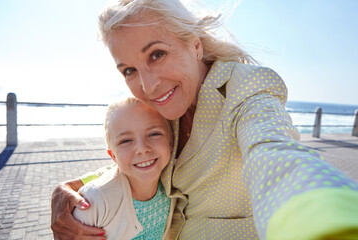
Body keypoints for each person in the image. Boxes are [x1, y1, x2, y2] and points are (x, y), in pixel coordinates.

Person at [51, 0, 358, 239]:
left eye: (156, 54)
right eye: (129, 70)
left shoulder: (246, 88)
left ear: (195, 45)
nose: (147, 86)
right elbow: (143, 153)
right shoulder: (163, 103)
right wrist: (71, 187)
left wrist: (328, 221)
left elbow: (274, 153)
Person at [73, 97, 175, 240]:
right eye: (125, 140)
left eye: (154, 134)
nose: (142, 149)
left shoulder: (173, 187)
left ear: (171, 141)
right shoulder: (95, 200)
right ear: (113, 155)